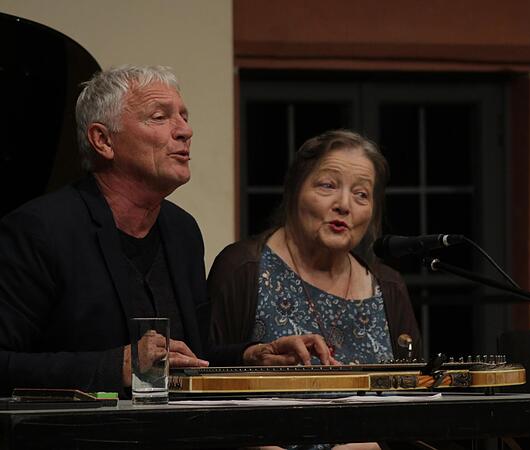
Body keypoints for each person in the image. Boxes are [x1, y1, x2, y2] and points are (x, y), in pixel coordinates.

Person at [0, 65, 318, 397]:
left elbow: (189, 358)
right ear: (103, 140)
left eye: (184, 116)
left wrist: (250, 356)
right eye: (159, 117)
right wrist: (114, 366)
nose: (185, 131)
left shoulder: (183, 231)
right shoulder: (40, 230)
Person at [208, 129, 421, 367]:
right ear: (295, 190)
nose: (344, 205)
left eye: (361, 194)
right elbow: (202, 367)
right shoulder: (243, 268)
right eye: (328, 185)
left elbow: (415, 385)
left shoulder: (388, 288)